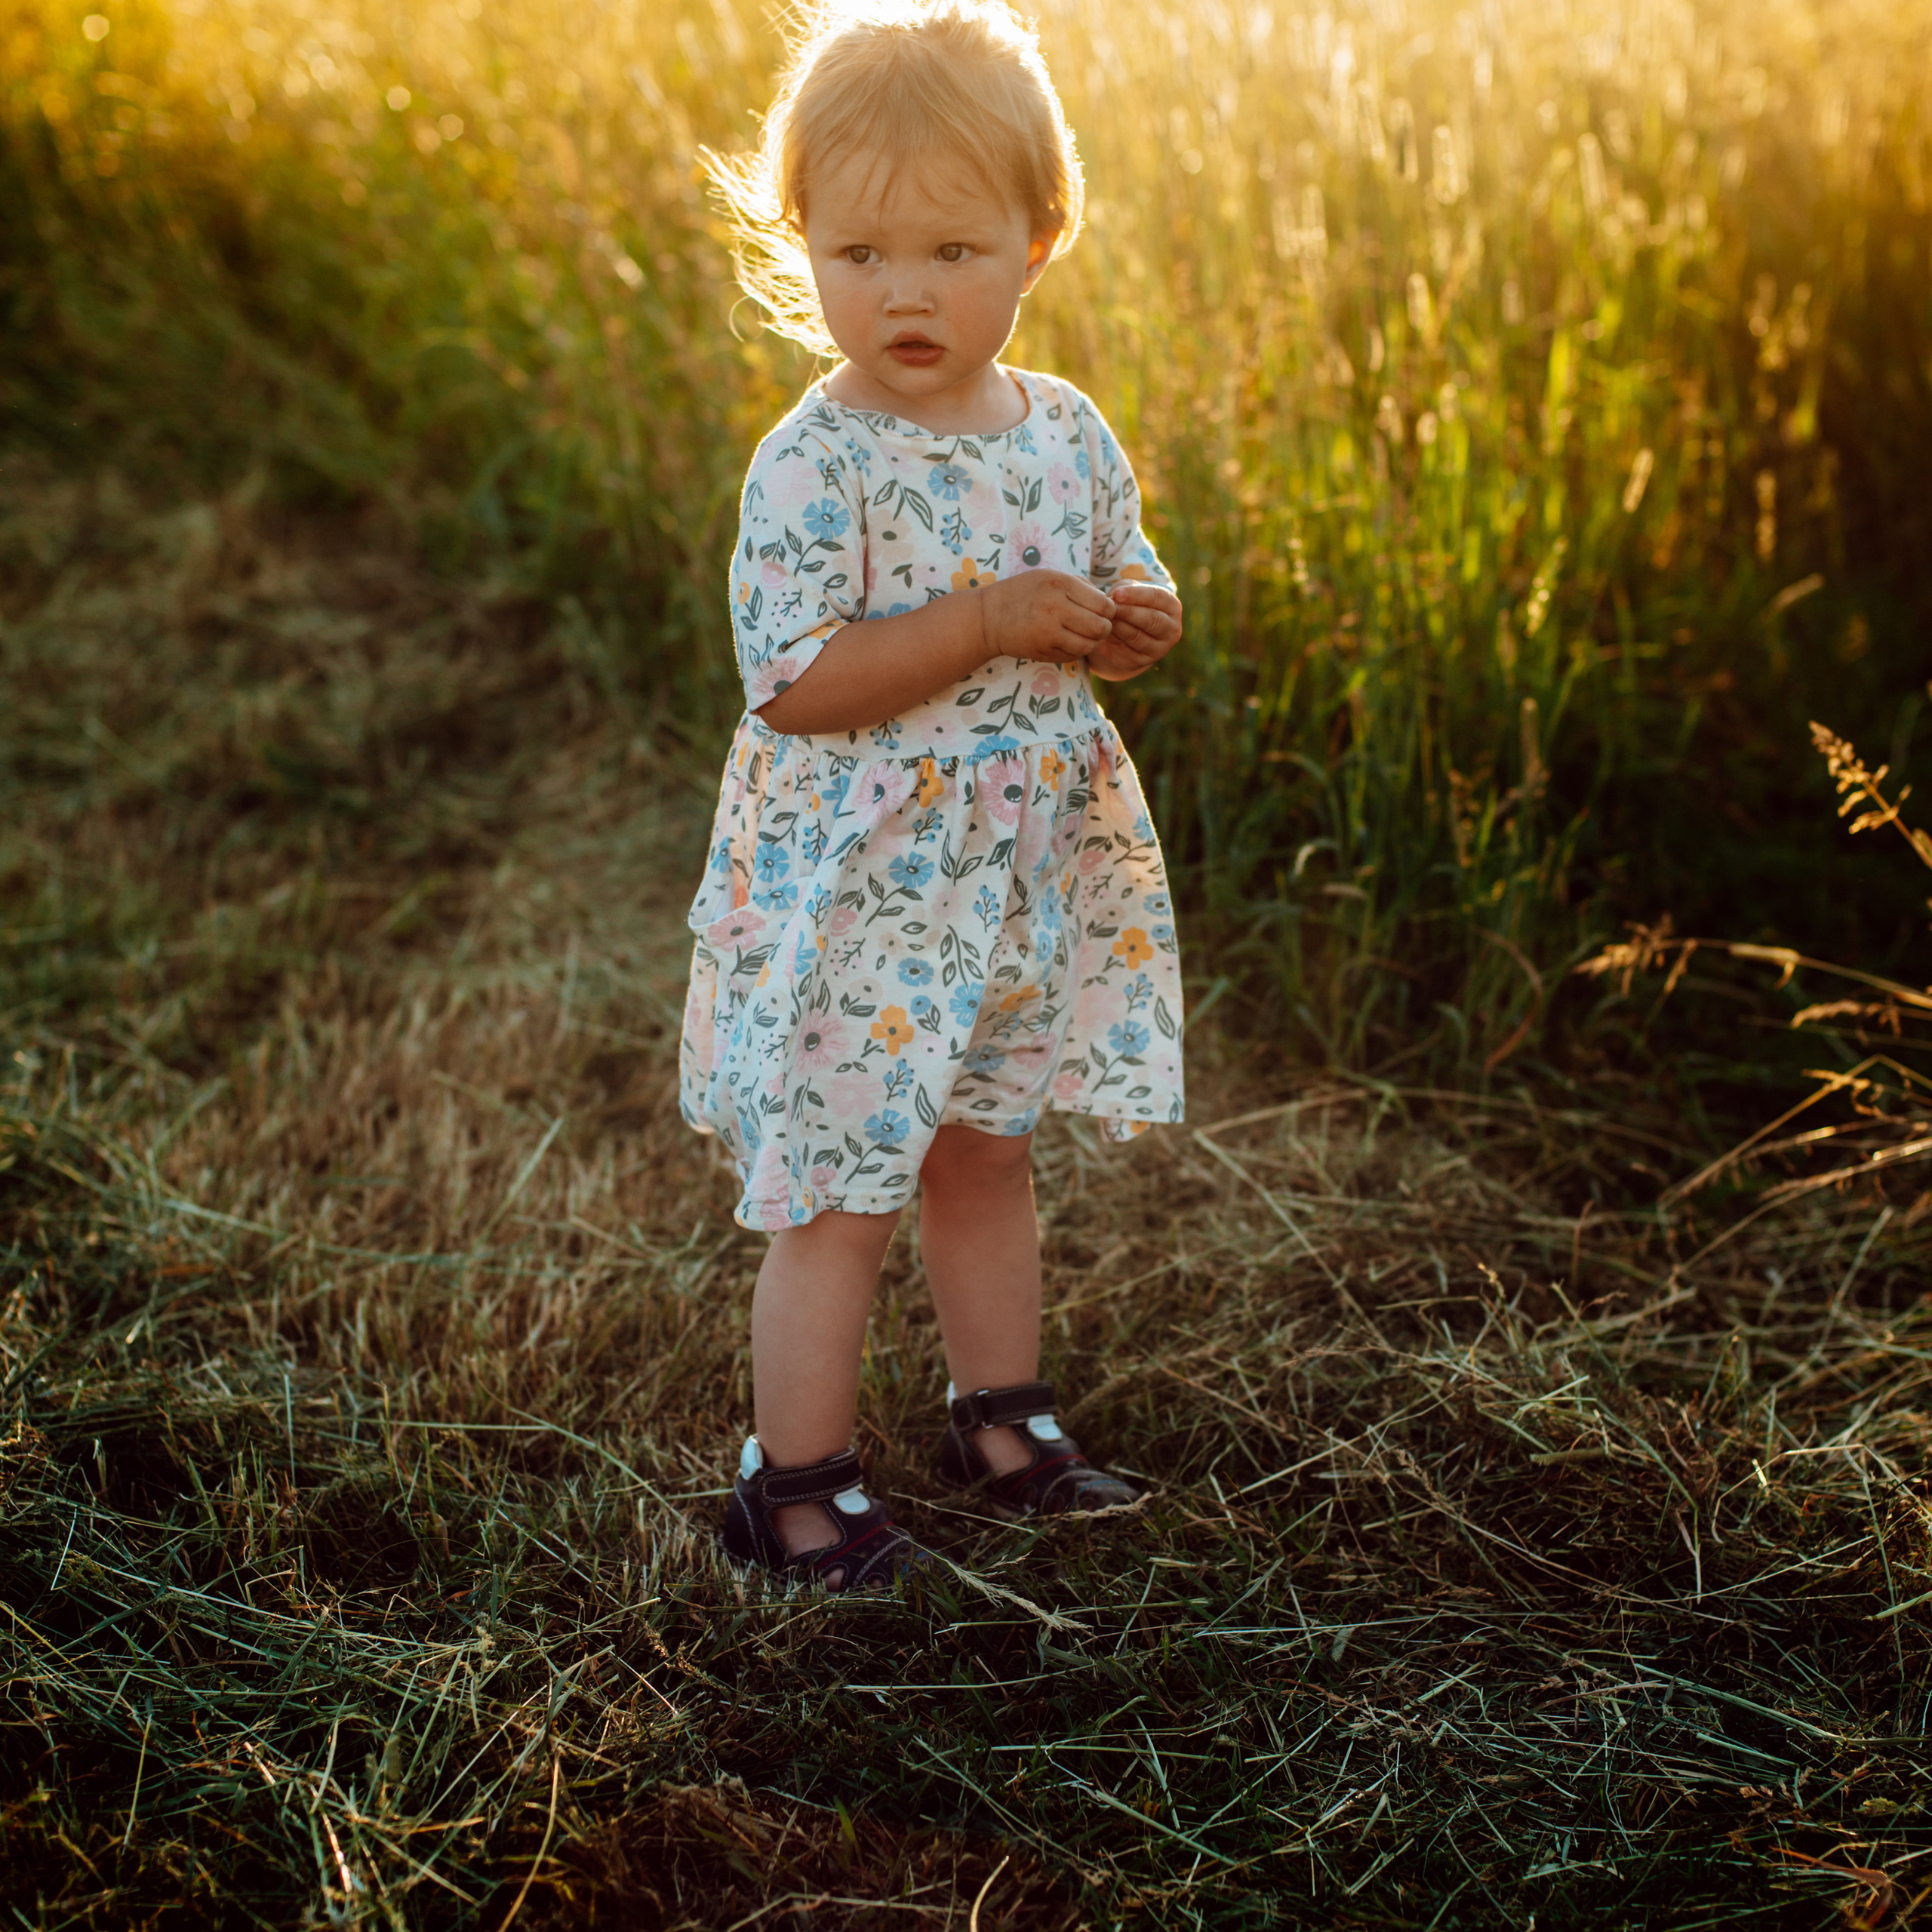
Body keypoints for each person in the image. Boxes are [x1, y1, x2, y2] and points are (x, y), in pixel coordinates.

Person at [681, 0, 1186, 1591]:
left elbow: (1113, 569)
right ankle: (797, 1478)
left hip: (1016, 874)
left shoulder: (1066, 432)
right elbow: (795, 680)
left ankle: (1002, 1414)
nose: (901, 289)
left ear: (1041, 238)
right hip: (867, 885)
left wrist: (1140, 612)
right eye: (859, 252)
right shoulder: (812, 461)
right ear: (805, 244)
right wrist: (978, 619)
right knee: (841, 1181)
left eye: (952, 249)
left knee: (984, 1143)